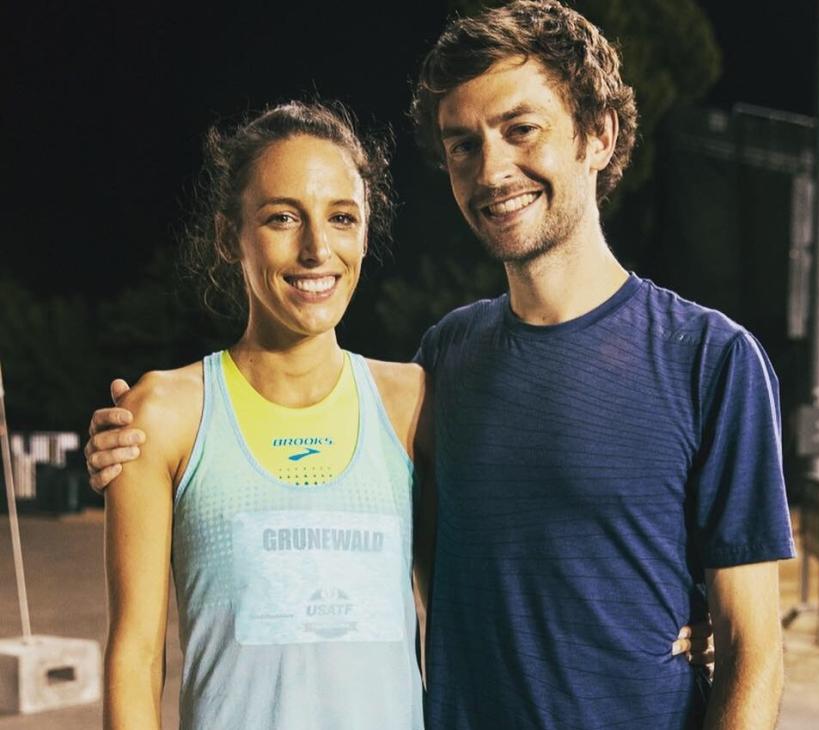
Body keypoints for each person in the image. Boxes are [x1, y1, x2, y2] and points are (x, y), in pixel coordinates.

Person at [85, 2, 782, 728]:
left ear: (598, 135)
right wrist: (132, 438)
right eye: (462, 144)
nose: (493, 170)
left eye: (521, 131)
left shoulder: (710, 360)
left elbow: (753, 653)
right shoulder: (446, 363)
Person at [98, 100, 432, 730]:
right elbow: (137, 658)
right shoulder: (165, 416)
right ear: (230, 237)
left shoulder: (411, 404)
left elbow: (457, 623)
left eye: (341, 218)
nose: (316, 249)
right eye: (283, 218)